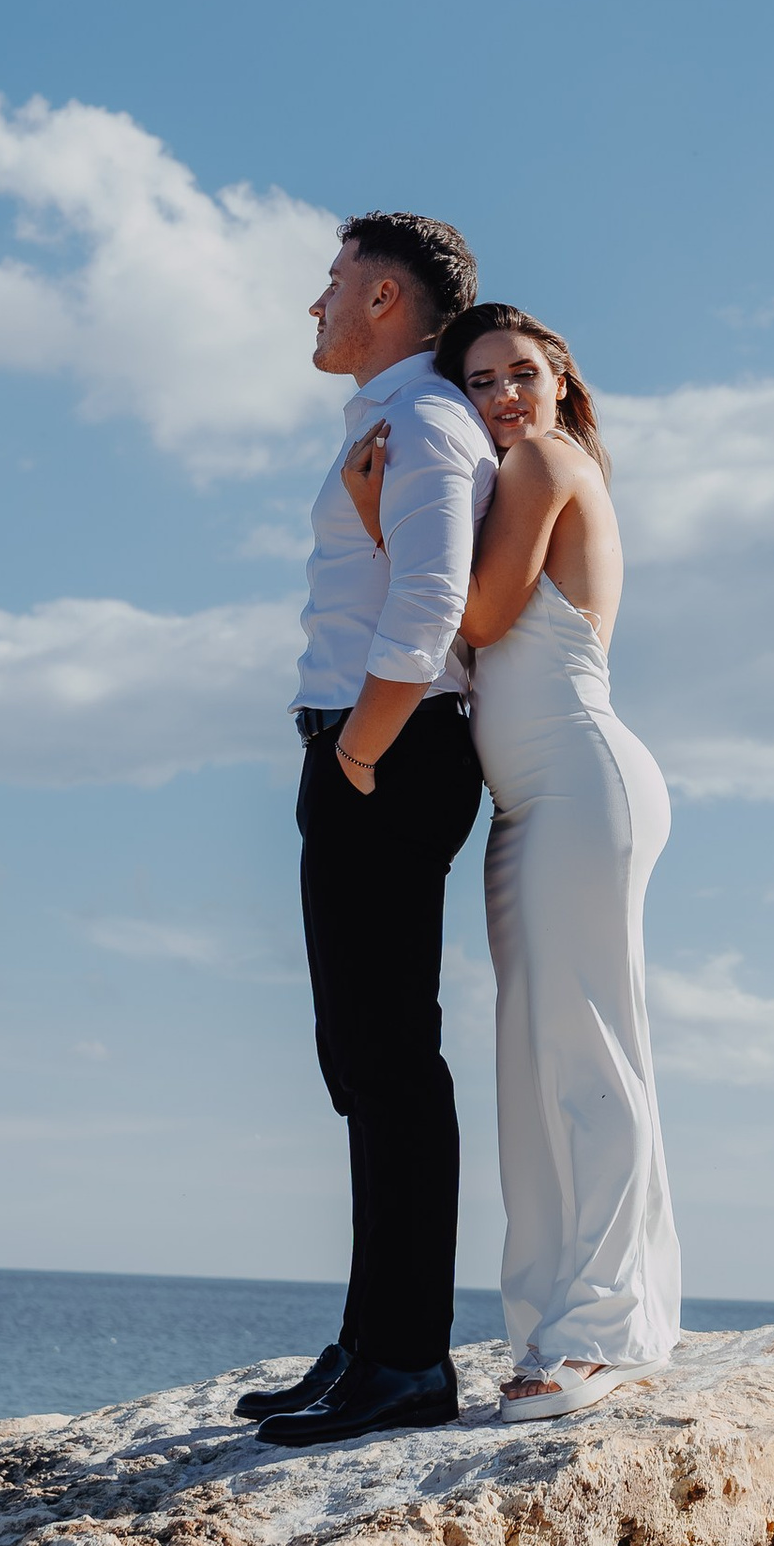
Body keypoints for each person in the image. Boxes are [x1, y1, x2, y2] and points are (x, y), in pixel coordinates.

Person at [345, 301, 680, 1416]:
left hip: (580, 785)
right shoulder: (523, 471)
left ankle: (605, 1328)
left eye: (520, 371)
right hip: (531, 803)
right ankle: (556, 1319)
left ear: (561, 377)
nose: (502, 398)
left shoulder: (542, 461)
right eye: (479, 381)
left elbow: (478, 619)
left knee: (586, 1052)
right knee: (540, 1063)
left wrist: (380, 521)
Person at [246, 212, 493, 1449]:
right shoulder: (390, 422)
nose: (316, 304)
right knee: (360, 1056)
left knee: (391, 1058)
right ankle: (370, 1340)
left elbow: (433, 599)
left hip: (387, 748)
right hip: (368, 746)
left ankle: (407, 1358)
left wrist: (356, 749)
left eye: (332, 282)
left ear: (386, 297)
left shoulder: (428, 423)